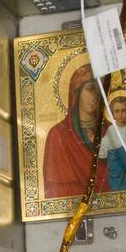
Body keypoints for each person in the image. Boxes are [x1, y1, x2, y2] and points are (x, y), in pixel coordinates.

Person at [43, 64, 109, 198]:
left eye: (99, 91)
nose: (95, 96)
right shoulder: (58, 135)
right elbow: (55, 188)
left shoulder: (111, 131)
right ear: (76, 92)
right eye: (90, 89)